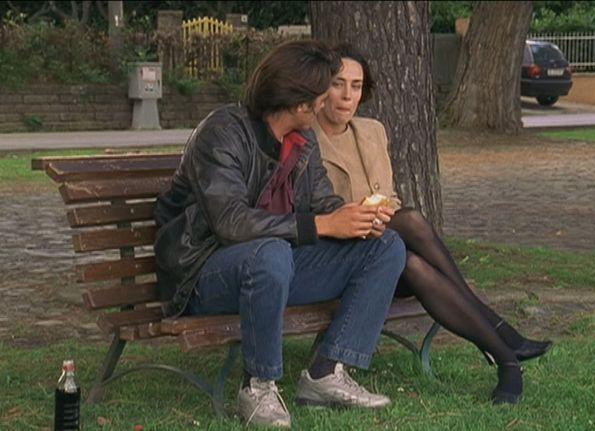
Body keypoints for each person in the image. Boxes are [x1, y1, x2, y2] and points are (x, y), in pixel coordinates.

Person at [153, 39, 407, 428]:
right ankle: (258, 387)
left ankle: (326, 373)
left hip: (276, 266)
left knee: (384, 247)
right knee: (269, 252)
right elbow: (230, 221)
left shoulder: (303, 141)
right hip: (202, 274)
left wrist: (355, 217)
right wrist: (323, 225)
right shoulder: (223, 133)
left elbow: (322, 202)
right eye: (323, 94)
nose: (328, 102)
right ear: (301, 101)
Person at [312, 43, 554, 405]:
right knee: (409, 223)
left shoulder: (372, 131)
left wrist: (381, 215)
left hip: (385, 253)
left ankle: (506, 359)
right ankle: (502, 342)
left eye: (356, 86)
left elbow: (388, 197)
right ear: (321, 87)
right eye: (338, 84)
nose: (348, 95)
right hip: (339, 257)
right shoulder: (306, 140)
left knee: (411, 259)